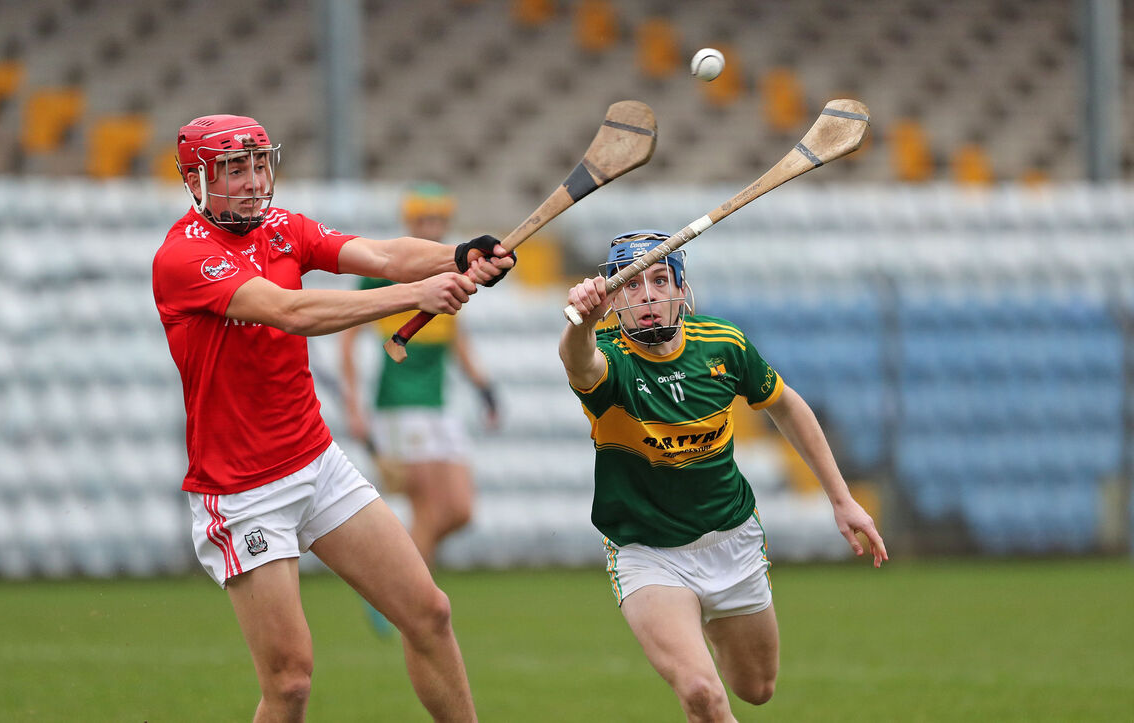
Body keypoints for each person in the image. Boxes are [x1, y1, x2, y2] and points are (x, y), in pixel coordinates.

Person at [151, 114, 513, 722]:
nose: (253, 180)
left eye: (258, 164)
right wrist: (415, 294)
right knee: (290, 682)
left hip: (317, 464)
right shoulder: (184, 258)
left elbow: (381, 253)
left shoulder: (282, 228)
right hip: (243, 492)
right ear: (195, 181)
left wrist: (455, 255)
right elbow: (289, 311)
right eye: (234, 169)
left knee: (429, 614)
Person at [559, 230, 887, 722]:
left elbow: (787, 406)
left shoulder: (722, 344)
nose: (646, 295)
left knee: (757, 688)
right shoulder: (610, 358)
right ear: (613, 298)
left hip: (731, 540)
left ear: (681, 288)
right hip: (647, 551)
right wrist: (581, 323)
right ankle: (689, 645)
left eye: (659, 280)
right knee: (702, 694)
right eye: (631, 284)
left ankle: (703, 626)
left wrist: (841, 500)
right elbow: (578, 361)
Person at [339, 183, 498, 572]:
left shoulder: (452, 272)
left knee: (459, 510)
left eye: (438, 220)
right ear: (410, 222)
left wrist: (484, 388)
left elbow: (455, 338)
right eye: (424, 220)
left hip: (439, 405)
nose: (432, 228)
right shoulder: (385, 273)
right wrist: (353, 407)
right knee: (426, 509)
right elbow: (347, 342)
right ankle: (412, 594)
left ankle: (391, 577)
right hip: (400, 405)